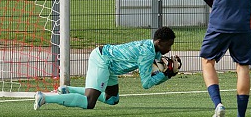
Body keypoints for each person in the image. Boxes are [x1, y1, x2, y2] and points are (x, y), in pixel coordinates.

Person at [34, 26, 180, 110]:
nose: (170, 48)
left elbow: (157, 68)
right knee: (89, 102)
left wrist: (167, 72)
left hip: (110, 65)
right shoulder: (147, 53)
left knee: (112, 99)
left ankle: (67, 90)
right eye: (169, 45)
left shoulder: (153, 47)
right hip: (102, 60)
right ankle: (45, 98)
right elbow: (146, 83)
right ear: (159, 42)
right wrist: (166, 75)